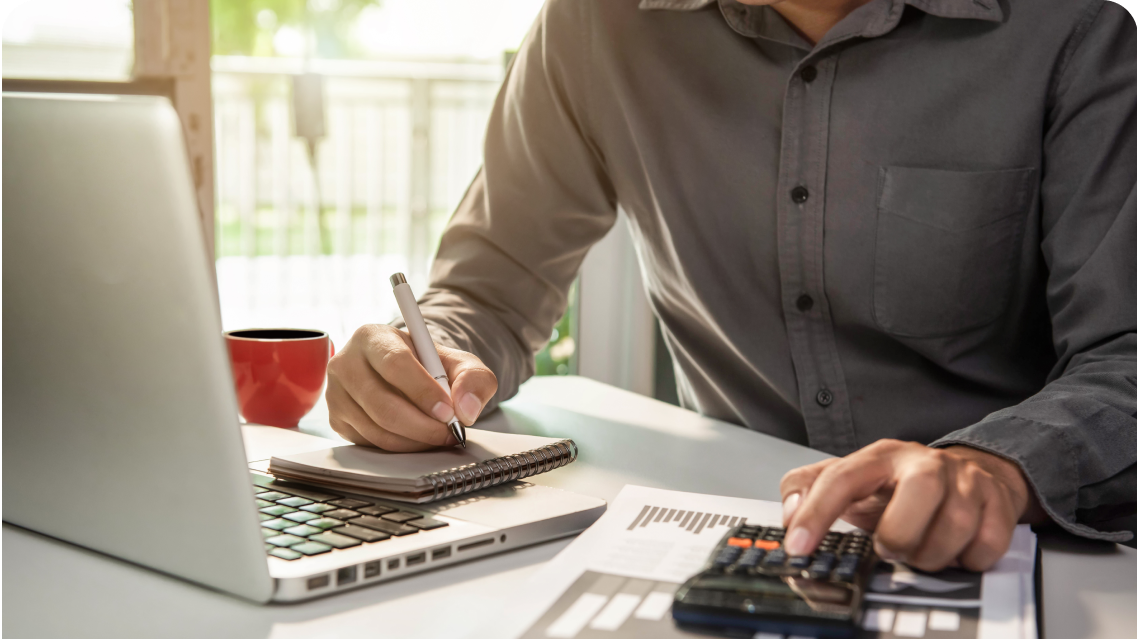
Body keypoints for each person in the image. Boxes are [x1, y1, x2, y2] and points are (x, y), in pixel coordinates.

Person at [326, 0, 1137, 571]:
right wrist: (426, 360)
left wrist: (994, 468)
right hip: (717, 540)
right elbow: (488, 291)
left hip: (1019, 557)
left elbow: (1124, 357)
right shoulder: (593, 22)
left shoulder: (1081, 26)